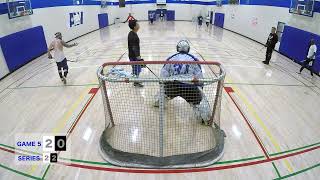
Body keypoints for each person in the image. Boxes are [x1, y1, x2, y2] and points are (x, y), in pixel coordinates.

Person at [154, 40, 211, 124]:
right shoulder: (194, 59)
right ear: (188, 49)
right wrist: (199, 89)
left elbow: (164, 74)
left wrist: (163, 85)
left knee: (162, 95)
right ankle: (204, 119)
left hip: (173, 85)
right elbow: (200, 78)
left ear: (178, 48)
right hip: (189, 87)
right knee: (199, 102)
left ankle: (158, 103)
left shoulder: (171, 57)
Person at [128, 20, 144, 87]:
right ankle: (135, 82)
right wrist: (138, 58)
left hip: (133, 55)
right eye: (137, 24)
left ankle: (136, 80)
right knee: (136, 69)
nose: (138, 25)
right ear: (135, 27)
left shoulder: (131, 33)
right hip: (134, 56)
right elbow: (134, 47)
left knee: (137, 69)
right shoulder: (133, 36)